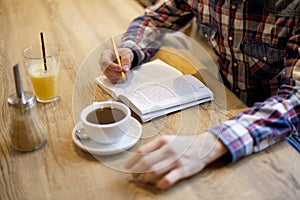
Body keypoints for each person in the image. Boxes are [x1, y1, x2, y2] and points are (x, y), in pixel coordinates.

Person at [99, 0, 300, 190]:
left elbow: (295, 99)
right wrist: (131, 49)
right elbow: (155, 19)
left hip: (283, 132)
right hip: (224, 103)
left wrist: (211, 143)